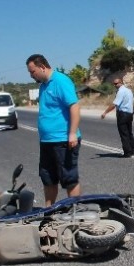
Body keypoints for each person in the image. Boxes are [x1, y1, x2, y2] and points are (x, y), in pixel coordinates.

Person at [25, 54, 82, 206]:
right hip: (47, 141)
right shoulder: (43, 85)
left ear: (42, 67)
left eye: (33, 72)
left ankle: (75, 212)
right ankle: (49, 211)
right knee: (48, 178)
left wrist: (72, 133)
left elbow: (74, 107)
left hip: (63, 140)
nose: (31, 75)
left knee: (69, 178)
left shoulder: (61, 81)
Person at [100, 78, 134, 158]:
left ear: (121, 83)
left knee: (124, 133)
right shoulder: (129, 91)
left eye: (116, 84)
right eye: (114, 84)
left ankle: (127, 152)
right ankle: (132, 150)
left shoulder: (121, 91)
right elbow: (132, 102)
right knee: (129, 132)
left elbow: (114, 104)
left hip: (123, 114)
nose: (115, 85)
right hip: (130, 113)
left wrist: (105, 112)